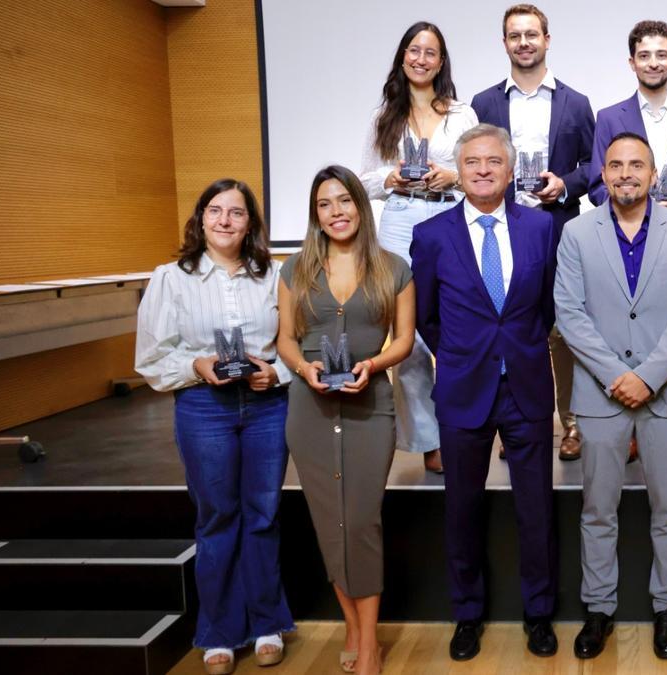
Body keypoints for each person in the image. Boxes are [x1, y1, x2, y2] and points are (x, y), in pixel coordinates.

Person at [554, 132, 667, 661]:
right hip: (600, 395)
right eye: (615, 164)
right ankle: (598, 608)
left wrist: (648, 376)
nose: (625, 173)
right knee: (598, 509)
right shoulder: (576, 233)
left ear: (653, 173)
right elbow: (569, 312)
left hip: (665, 394)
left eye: (636, 165)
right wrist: (617, 374)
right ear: (602, 172)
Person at [410, 124, 560, 661]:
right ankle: (467, 615)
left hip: (525, 385)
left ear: (509, 168)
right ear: (460, 167)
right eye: (471, 161)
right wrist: (460, 354)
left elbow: (546, 307)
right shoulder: (431, 236)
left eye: (493, 161)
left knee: (536, 508)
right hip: (462, 388)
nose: (482, 169)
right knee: (462, 508)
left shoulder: (541, 229)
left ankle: (539, 613)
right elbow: (426, 315)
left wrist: (515, 349)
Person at [136, 179, 294, 674]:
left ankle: (268, 622)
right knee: (217, 518)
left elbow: (297, 343)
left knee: (263, 514)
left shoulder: (275, 277)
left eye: (238, 213)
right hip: (204, 407)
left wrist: (279, 372)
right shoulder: (170, 278)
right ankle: (221, 632)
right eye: (216, 210)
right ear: (201, 217)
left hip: (268, 407)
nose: (225, 220)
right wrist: (196, 366)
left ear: (251, 224)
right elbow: (151, 357)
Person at [276, 166, 416, 675]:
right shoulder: (295, 270)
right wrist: (302, 367)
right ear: (315, 214)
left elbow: (403, 339)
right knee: (328, 522)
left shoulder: (393, 268)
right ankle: (352, 627)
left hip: (369, 405)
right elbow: (286, 339)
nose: (335, 212)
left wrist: (373, 365)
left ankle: (370, 641)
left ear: (361, 204)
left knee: (360, 520)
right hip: (308, 408)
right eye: (324, 204)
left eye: (344, 201)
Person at [588, 19, 667, 461]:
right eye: (644, 54)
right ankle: (627, 428)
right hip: (622, 236)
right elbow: (593, 182)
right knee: (623, 324)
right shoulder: (609, 118)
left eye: (661, 54)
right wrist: (630, 199)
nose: (653, 62)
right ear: (632, 62)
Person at [472, 3, 595, 461]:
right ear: (504, 43)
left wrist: (566, 185)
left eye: (531, 34)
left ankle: (573, 425)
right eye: (514, 35)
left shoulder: (575, 103)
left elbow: (593, 168)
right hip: (498, 231)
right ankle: (520, 423)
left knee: (563, 331)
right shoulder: (483, 104)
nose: (524, 42)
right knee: (514, 330)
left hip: (557, 230)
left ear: (547, 39)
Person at [360, 21, 478, 474]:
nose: (421, 59)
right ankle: (430, 442)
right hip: (400, 219)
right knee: (406, 339)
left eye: (431, 52)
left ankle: (458, 427)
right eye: (414, 50)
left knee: (451, 330)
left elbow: (477, 170)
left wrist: (453, 176)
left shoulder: (461, 114)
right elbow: (365, 177)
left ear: (441, 61)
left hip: (448, 216)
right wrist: (388, 178)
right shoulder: (383, 115)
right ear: (403, 56)